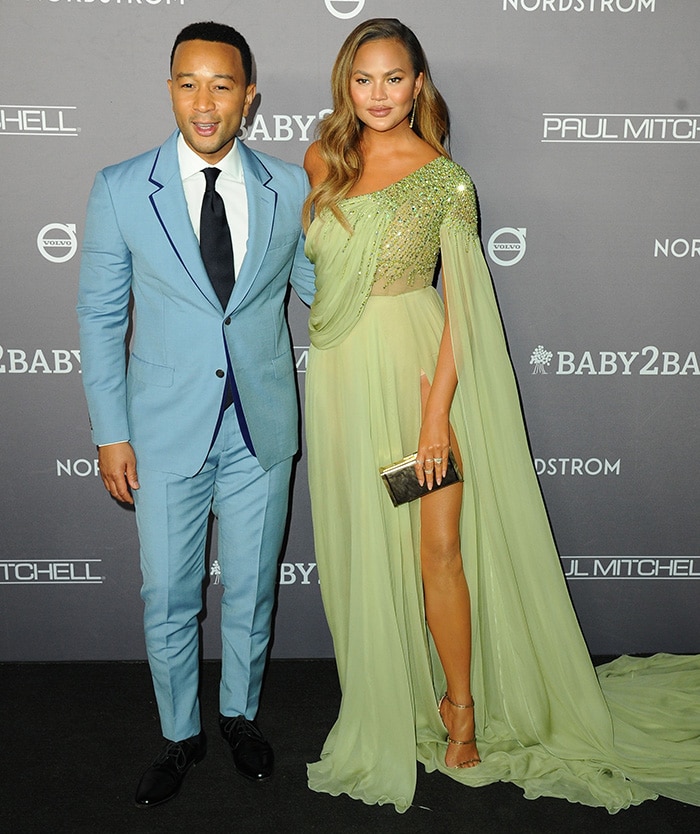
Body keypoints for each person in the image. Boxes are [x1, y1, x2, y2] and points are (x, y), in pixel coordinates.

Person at [302, 17, 700, 814]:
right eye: (363, 79)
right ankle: (393, 702)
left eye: (395, 78)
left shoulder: (446, 180)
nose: (379, 94)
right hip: (342, 380)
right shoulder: (323, 158)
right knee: (364, 551)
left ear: (420, 83)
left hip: (422, 378)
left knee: (438, 551)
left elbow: (464, 312)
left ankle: (462, 710)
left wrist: (437, 416)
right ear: (347, 84)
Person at [77, 21, 315, 808]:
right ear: (170, 89)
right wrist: (111, 432)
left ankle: (240, 716)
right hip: (161, 431)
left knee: (251, 589)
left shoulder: (291, 187)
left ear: (250, 95)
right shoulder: (119, 187)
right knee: (170, 595)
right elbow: (102, 319)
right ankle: (181, 734)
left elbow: (327, 296)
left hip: (262, 429)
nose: (204, 103)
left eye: (222, 85)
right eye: (189, 83)